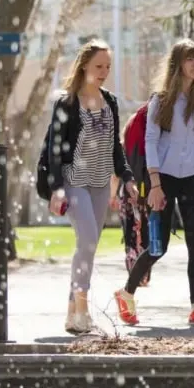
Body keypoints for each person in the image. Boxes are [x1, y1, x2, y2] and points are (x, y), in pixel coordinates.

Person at [114, 38, 194, 327]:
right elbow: (151, 142)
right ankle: (126, 293)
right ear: (178, 64)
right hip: (164, 180)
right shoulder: (161, 100)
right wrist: (155, 186)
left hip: (191, 180)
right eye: (189, 59)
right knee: (158, 247)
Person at [46, 38, 137, 335]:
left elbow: (115, 145)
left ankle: (72, 311)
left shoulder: (110, 100)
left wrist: (126, 177)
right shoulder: (66, 102)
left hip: (100, 182)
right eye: (99, 66)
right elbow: (55, 149)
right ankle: (83, 311)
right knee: (86, 241)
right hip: (75, 182)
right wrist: (56, 187)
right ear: (84, 65)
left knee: (89, 246)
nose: (103, 71)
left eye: (107, 66)